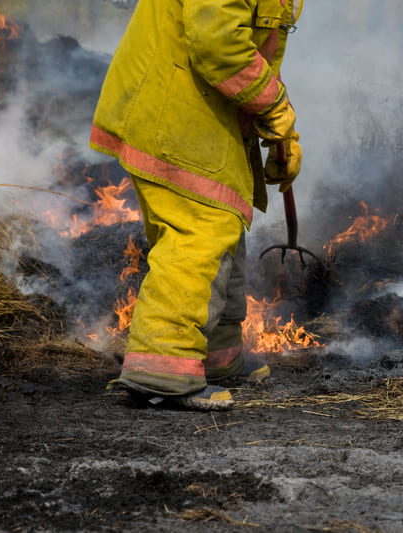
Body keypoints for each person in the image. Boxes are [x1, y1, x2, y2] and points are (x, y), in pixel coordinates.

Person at [89, 0, 304, 410]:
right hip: (175, 111)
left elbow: (253, 47)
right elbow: (218, 40)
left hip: (197, 112)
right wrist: (273, 106)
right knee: (199, 232)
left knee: (221, 229)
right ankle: (162, 371)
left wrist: (281, 128)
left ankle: (215, 357)